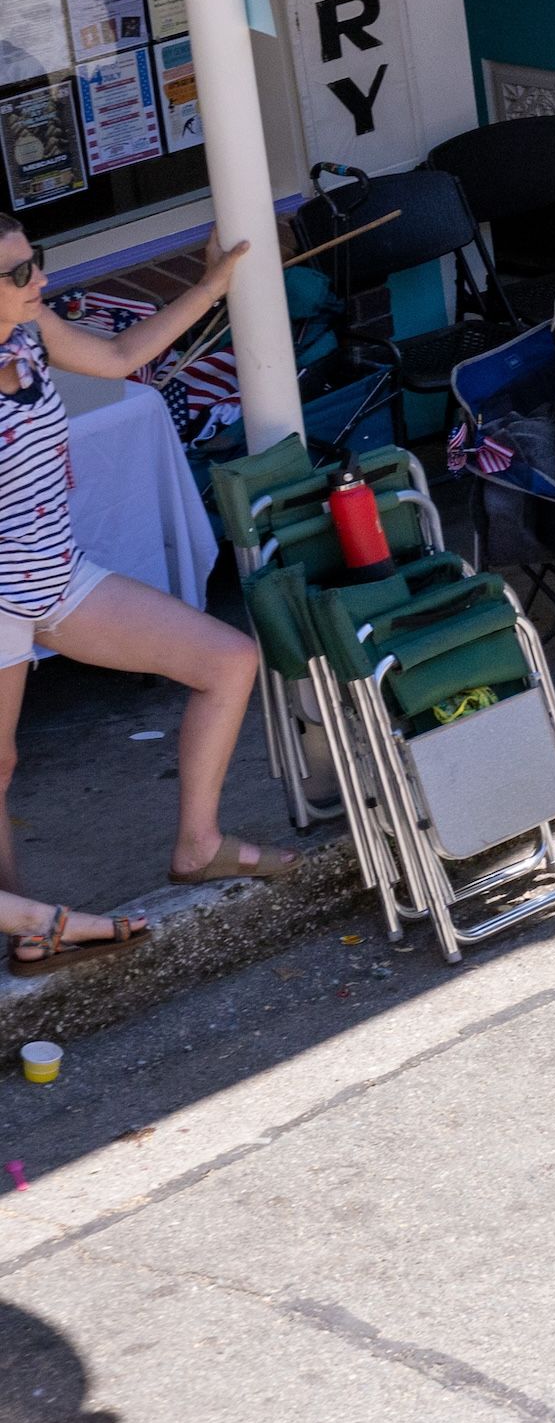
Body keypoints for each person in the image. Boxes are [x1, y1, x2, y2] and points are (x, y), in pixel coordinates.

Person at [0, 217, 273, 923]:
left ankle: (197, 844)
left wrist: (210, 285)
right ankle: (26, 925)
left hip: (56, 575)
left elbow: (122, 355)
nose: (43, 281)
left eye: (38, 260)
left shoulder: (29, 334)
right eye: (21, 273)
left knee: (229, 660)